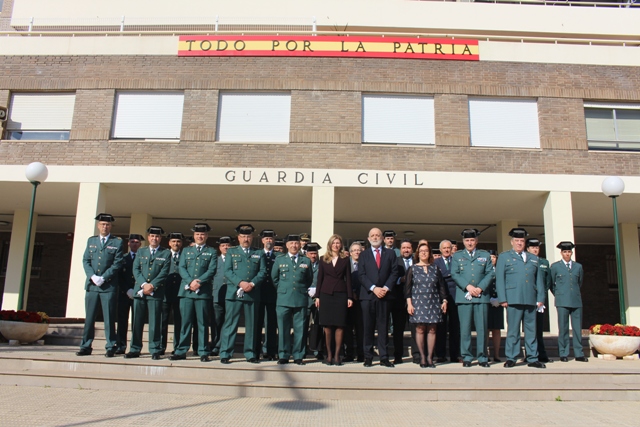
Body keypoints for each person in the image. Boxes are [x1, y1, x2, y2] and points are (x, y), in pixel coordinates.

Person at [496, 228, 546, 369]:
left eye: (522, 241)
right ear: (512, 242)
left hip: (530, 299)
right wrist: (502, 298)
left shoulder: (534, 258)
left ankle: (532, 357)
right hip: (513, 299)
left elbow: (539, 280)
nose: (519, 243)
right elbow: (500, 279)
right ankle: (511, 357)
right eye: (517, 241)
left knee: (531, 330)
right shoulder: (505, 257)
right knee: (513, 330)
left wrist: (540, 297)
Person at [77, 213, 125, 357]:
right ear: (98, 226)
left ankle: (111, 345)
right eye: (103, 224)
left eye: (108, 224)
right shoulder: (91, 241)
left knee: (109, 318)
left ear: (111, 226)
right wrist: (92, 276)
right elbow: (86, 260)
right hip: (92, 286)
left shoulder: (117, 242)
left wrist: (103, 278)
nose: (105, 227)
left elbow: (117, 263)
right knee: (89, 318)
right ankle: (85, 346)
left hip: (108, 286)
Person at [170, 223, 218, 362]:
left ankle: (203, 351)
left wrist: (199, 282)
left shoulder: (212, 251)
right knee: (185, 322)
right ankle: (181, 350)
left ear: (206, 236)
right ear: (194, 236)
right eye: (197, 234)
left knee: (202, 323)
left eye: (202, 234)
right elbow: (181, 268)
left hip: (202, 292)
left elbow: (211, 270)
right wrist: (191, 282)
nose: (200, 236)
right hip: (186, 293)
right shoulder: (186, 251)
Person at [219, 224, 266, 364]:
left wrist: (251, 284)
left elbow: (262, 272)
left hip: (252, 293)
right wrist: (240, 283)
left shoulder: (259, 253)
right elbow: (227, 271)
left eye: (248, 236)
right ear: (238, 238)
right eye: (243, 236)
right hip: (234, 293)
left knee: (251, 325)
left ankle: (250, 353)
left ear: (252, 237)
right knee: (230, 324)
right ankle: (226, 353)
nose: (246, 239)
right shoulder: (232, 252)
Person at [450, 229, 494, 368]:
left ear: (476, 241)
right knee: (465, 328)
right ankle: (467, 357)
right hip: (465, 297)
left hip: (481, 297)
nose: (469, 243)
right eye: (467, 240)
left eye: (472, 240)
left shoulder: (485, 255)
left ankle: (482, 357)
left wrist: (480, 288)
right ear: (463, 242)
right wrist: (468, 287)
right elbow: (455, 274)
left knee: (482, 328)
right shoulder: (457, 256)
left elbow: (490, 274)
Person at [126, 226, 171, 360]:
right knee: (137, 322)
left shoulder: (165, 253)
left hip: (155, 293)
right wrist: (144, 284)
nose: (154, 238)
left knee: (155, 322)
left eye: (157, 237)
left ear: (160, 238)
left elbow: (164, 272)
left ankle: (155, 349)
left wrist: (152, 285)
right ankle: (135, 348)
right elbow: (136, 269)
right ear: (148, 238)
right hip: (140, 291)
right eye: (152, 236)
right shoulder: (141, 251)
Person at [358, 227, 399, 367]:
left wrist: (385, 288)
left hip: (385, 296)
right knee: (367, 327)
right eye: (372, 235)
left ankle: (384, 357)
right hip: (368, 296)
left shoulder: (390, 253)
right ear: (368, 238)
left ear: (382, 238)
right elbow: (361, 275)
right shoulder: (364, 255)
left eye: (378, 235)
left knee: (383, 327)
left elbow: (394, 272)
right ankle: (368, 357)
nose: (375, 237)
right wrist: (374, 288)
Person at [271, 234, 314, 365]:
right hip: (283, 299)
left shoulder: (305, 261)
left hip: (300, 299)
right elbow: (275, 278)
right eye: (291, 243)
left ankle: (298, 355)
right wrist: (284, 289)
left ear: (300, 245)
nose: (294, 246)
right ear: (287, 245)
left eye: (296, 243)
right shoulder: (279, 259)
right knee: (283, 328)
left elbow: (309, 279)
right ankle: (283, 354)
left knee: (300, 329)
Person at [405, 243, 448, 368]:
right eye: (421, 251)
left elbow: (441, 287)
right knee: (420, 329)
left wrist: (444, 301)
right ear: (418, 253)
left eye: (426, 251)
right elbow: (407, 289)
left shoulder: (435, 268)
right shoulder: (412, 269)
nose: (424, 253)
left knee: (432, 329)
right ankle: (422, 357)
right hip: (418, 302)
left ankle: (430, 357)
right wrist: (409, 304)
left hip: (433, 302)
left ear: (429, 253)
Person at [315, 234, 353, 365]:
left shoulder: (345, 259)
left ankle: (337, 355)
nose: (336, 245)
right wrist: (317, 296)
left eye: (338, 243)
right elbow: (320, 278)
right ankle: (329, 355)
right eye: (334, 243)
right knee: (327, 326)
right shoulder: (323, 259)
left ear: (341, 245)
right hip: (326, 294)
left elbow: (348, 279)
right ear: (330, 245)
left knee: (340, 325)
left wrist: (349, 297)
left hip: (340, 295)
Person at [550, 241, 587, 362]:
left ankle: (579, 353)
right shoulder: (555, 266)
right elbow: (551, 283)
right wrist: (559, 293)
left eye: (569, 252)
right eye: (565, 252)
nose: (567, 254)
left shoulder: (578, 266)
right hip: (562, 300)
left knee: (577, 328)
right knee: (563, 327)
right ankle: (563, 352)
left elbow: (580, 282)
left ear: (572, 252)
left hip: (576, 300)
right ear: (561, 253)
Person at [434, 239, 461, 364]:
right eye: (444, 248)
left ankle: (455, 355)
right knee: (441, 327)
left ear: (452, 249)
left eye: (448, 248)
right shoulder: (435, 262)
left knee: (455, 327)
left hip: (455, 296)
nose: (446, 250)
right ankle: (440, 354)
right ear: (440, 250)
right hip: (441, 297)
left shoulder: (457, 261)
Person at [526, 238, 552, 363]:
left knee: (539, 328)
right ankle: (529, 354)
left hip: (539, 301)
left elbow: (547, 281)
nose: (535, 249)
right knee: (528, 329)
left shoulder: (544, 262)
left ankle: (541, 354)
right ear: (528, 249)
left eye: (537, 247)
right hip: (527, 299)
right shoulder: (524, 261)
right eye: (532, 247)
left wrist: (542, 295)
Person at [116, 234, 143, 354]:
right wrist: (127, 290)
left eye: (137, 242)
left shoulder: (143, 258)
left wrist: (137, 290)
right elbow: (119, 277)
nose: (134, 244)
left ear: (140, 244)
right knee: (122, 321)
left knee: (137, 322)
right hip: (124, 294)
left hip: (139, 294)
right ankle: (121, 346)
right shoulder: (122, 258)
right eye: (132, 242)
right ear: (128, 243)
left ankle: (135, 347)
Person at [256, 229, 278, 360]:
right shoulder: (257, 255)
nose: (268, 241)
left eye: (271, 238)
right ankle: (256, 351)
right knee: (257, 323)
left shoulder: (278, 256)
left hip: (273, 293)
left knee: (271, 323)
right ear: (262, 241)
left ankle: (270, 351)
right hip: (258, 292)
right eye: (266, 239)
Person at [161, 232, 184, 356]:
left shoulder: (185, 255)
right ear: (169, 243)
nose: (176, 243)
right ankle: (160, 347)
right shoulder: (163, 255)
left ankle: (178, 347)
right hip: (164, 293)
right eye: (173, 241)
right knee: (162, 322)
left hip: (180, 294)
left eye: (178, 241)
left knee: (179, 322)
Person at [391, 239, 412, 364]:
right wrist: (400, 279)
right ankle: (398, 356)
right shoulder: (395, 261)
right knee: (398, 331)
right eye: (404, 248)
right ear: (400, 249)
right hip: (399, 301)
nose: (406, 250)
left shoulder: (416, 261)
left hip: (415, 301)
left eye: (408, 248)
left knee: (416, 330)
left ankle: (417, 355)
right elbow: (391, 277)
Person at [344, 241, 365, 362]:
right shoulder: (346, 264)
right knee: (347, 328)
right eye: (354, 250)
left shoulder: (365, 264)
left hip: (361, 300)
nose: (357, 252)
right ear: (350, 253)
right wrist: (351, 294)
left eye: (359, 250)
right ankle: (349, 353)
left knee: (360, 328)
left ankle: (361, 353)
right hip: (348, 300)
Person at [211, 236, 231, 356]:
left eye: (228, 245)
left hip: (230, 295)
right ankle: (215, 345)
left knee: (228, 322)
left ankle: (225, 346)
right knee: (216, 322)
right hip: (217, 294)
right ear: (220, 248)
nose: (226, 247)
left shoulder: (234, 260)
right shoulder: (215, 260)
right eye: (223, 246)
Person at [304, 242, 324, 359]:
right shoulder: (303, 264)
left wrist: (318, 292)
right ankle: (302, 349)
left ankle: (318, 350)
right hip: (305, 298)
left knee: (318, 325)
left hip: (318, 299)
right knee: (303, 325)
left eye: (315, 253)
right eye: (311, 253)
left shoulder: (322, 265)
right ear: (306, 254)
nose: (313, 256)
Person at [486, 250, 503, 362]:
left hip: (498, 303)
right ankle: (485, 354)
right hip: (486, 303)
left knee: (496, 330)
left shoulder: (500, 271)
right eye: (490, 257)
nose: (492, 259)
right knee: (486, 329)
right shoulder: (484, 270)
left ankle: (496, 354)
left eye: (494, 257)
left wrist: (500, 299)